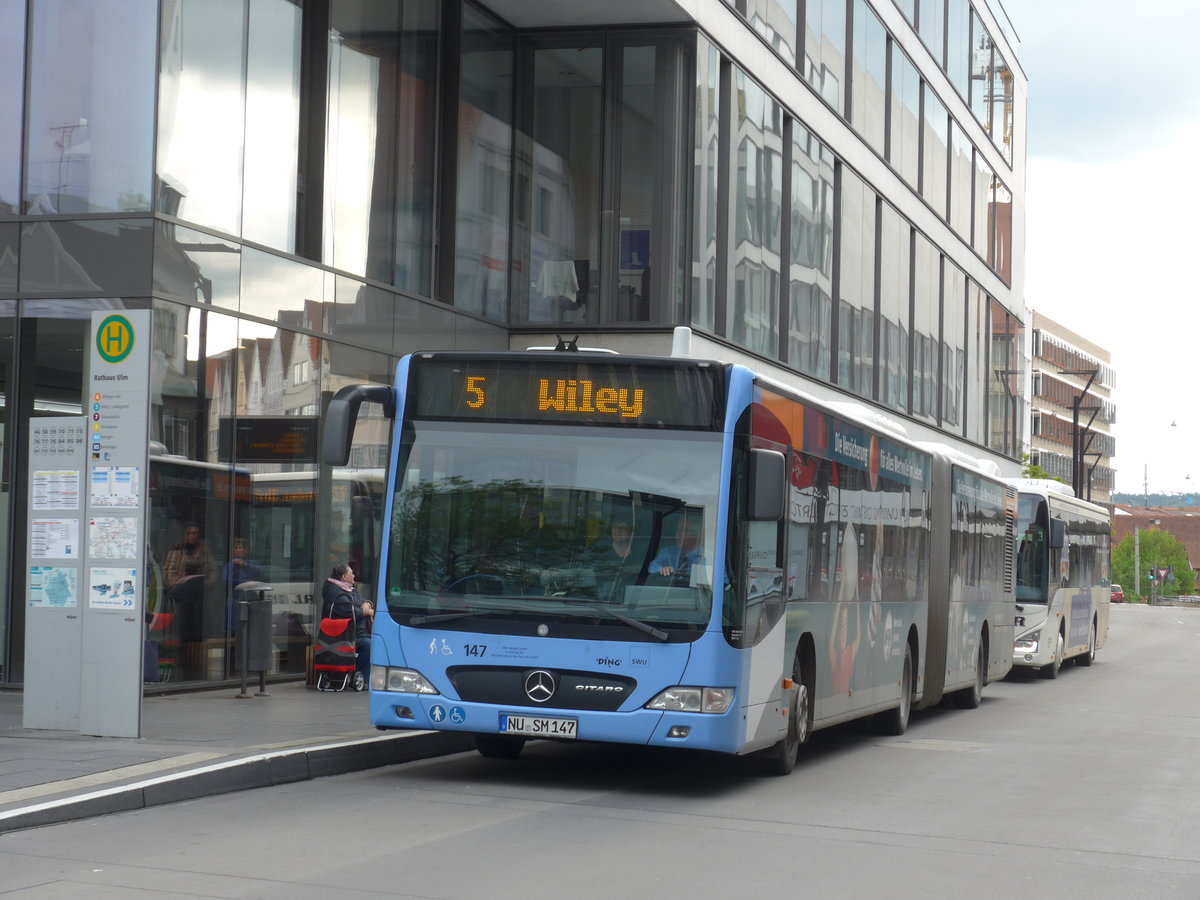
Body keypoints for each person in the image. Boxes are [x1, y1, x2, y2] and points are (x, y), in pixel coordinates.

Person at [321, 563, 373, 688]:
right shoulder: (335, 592)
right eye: (351, 573)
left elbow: (361, 601)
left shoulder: (347, 588)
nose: (354, 575)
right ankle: (362, 677)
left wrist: (366, 605)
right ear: (344, 577)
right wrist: (364, 611)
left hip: (355, 632)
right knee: (369, 645)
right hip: (346, 635)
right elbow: (349, 611)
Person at [164, 523, 214, 644]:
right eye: (189, 533)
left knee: (198, 621)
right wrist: (177, 583)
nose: (192, 536)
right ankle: (185, 643)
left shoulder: (204, 550)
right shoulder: (176, 550)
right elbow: (168, 570)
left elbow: (212, 570)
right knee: (184, 621)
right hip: (182, 590)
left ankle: (196, 643)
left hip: (199, 590)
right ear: (185, 535)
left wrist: (208, 582)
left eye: (195, 533)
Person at [594, 519, 642, 602]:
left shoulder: (640, 552)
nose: (618, 531)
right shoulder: (602, 551)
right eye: (615, 527)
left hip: (633, 599)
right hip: (601, 599)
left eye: (623, 528)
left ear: (631, 532)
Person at [648, 514, 706, 581]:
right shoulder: (668, 552)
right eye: (678, 530)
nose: (679, 534)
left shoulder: (705, 556)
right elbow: (651, 566)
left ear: (697, 535)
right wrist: (661, 569)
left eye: (685, 531)